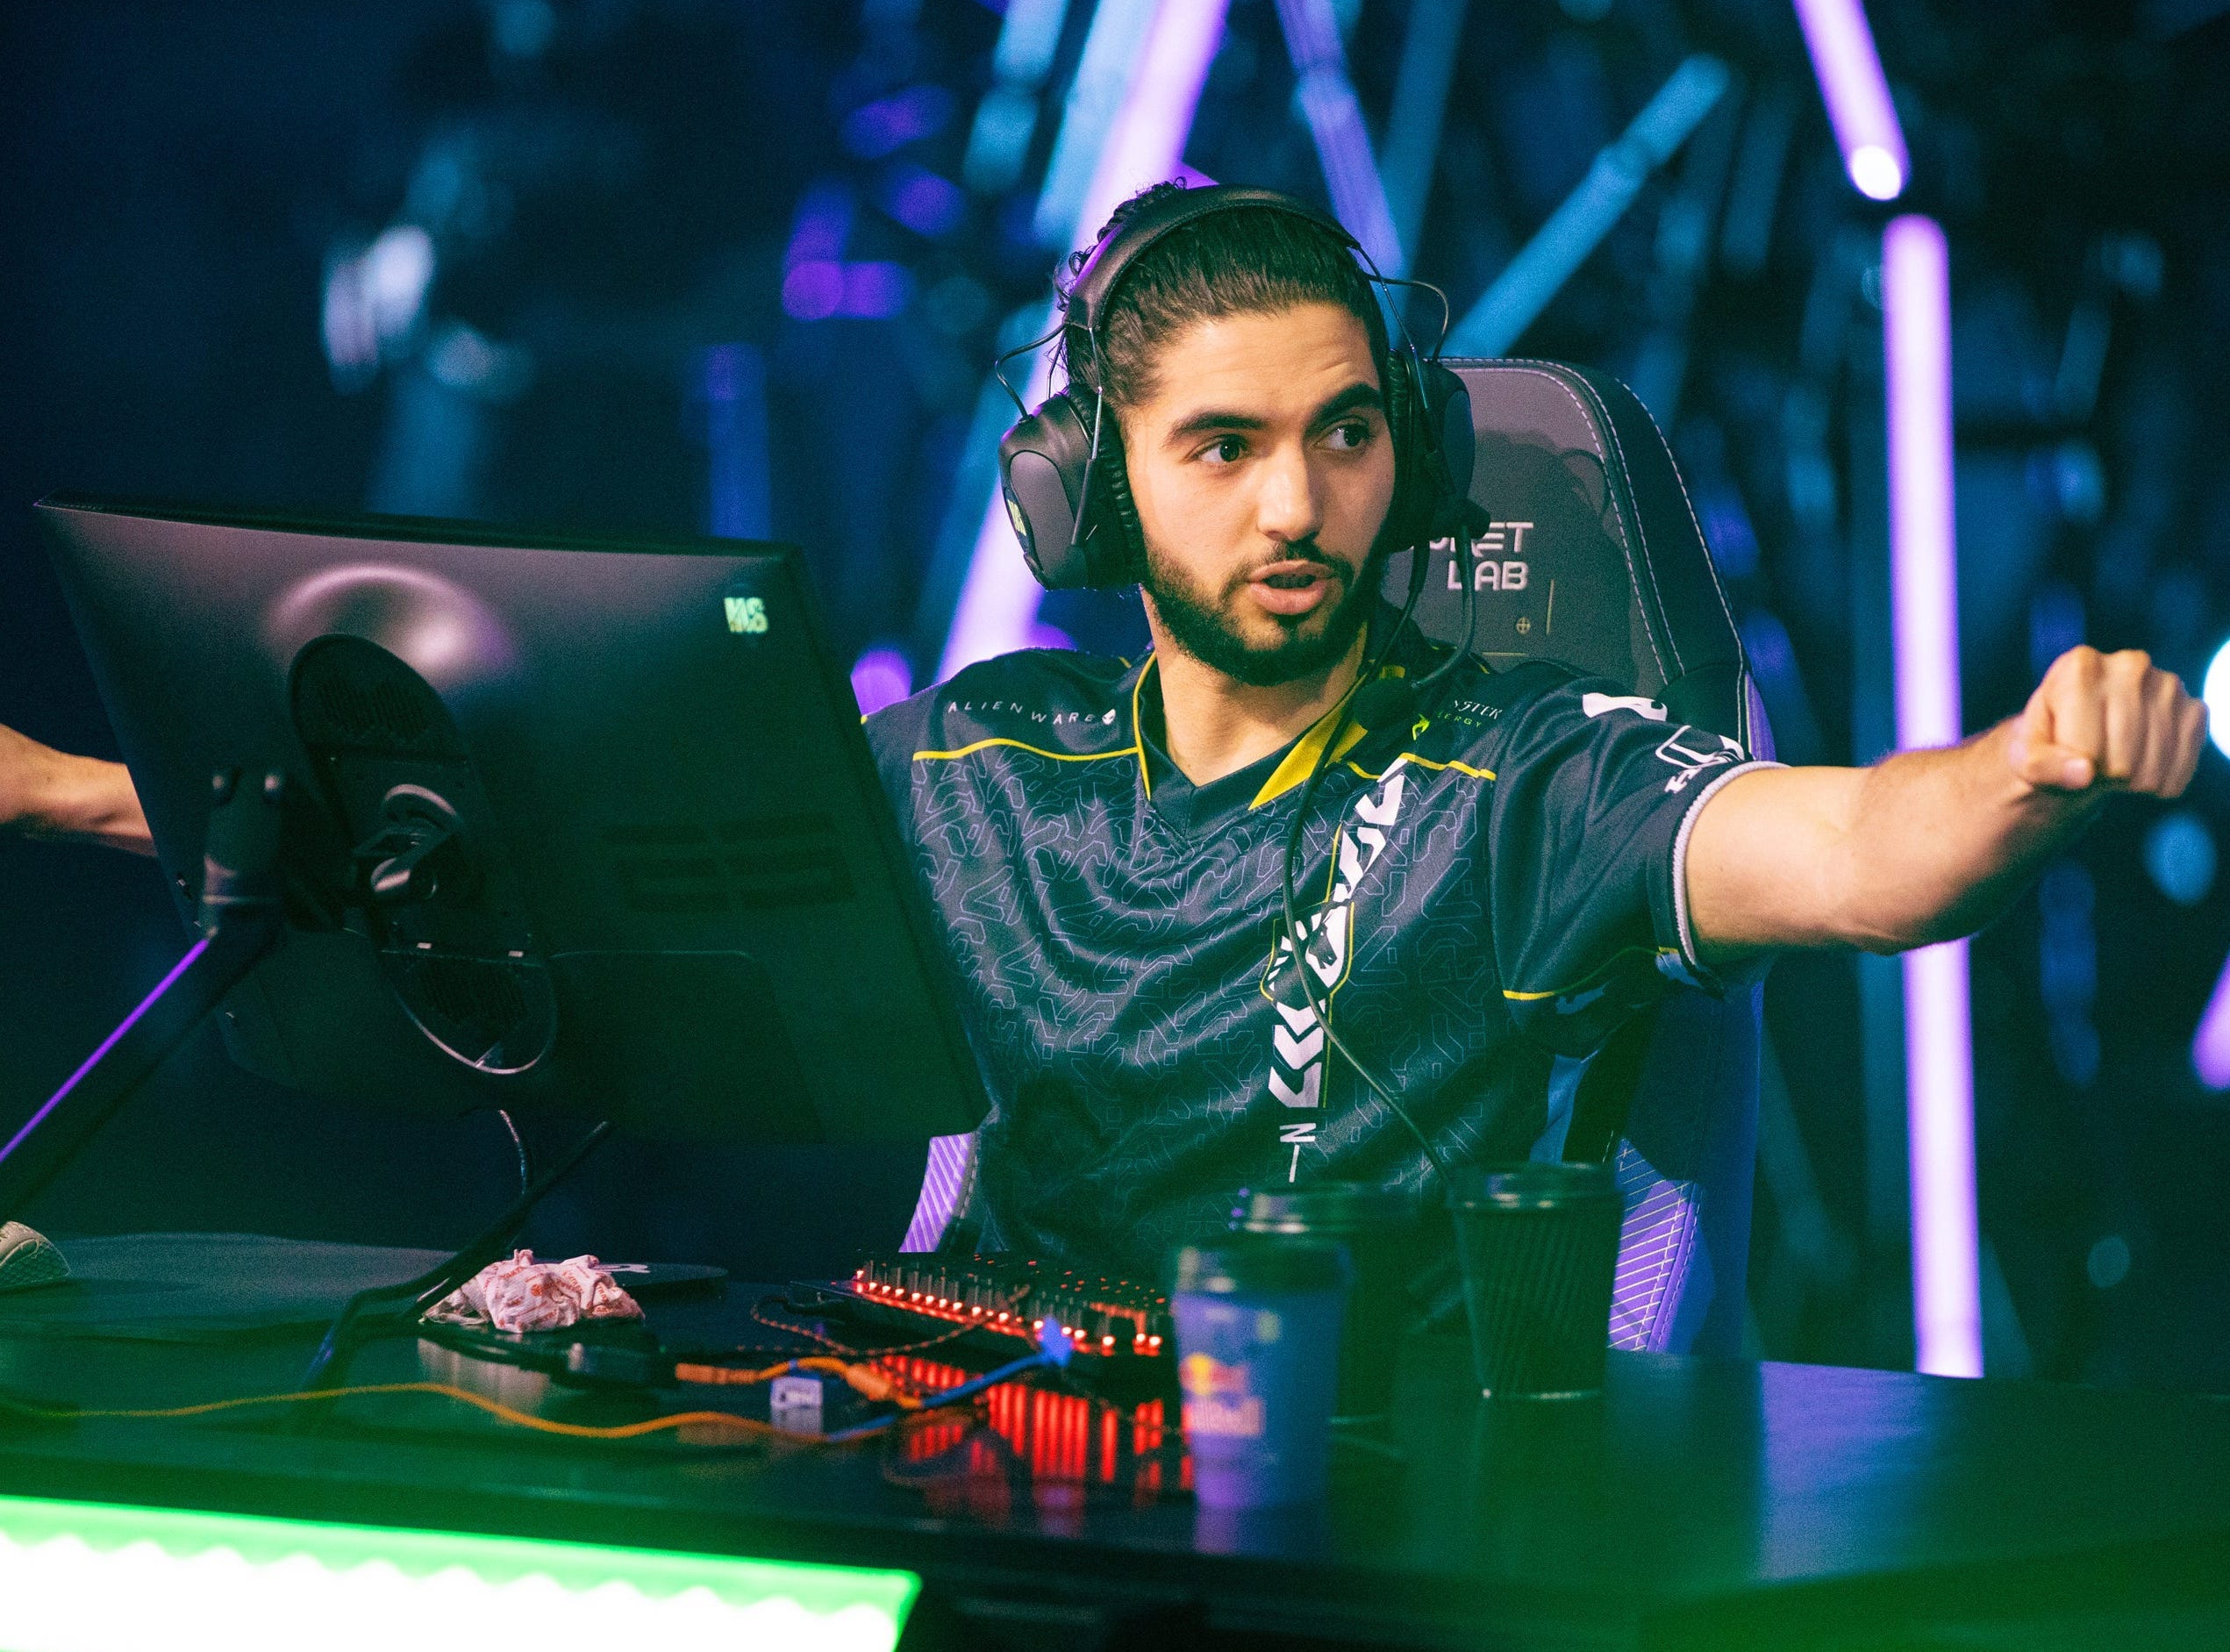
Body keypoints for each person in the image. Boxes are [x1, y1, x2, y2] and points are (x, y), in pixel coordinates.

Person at [1, 185, 2206, 1287]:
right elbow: (524, 859)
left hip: (1353, 1547)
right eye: (1225, 445)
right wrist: (71, 795)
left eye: (1346, 438)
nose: (1294, 504)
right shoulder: (969, 766)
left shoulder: (1536, 777)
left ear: (1409, 458)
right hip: (970, 1500)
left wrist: (2027, 766)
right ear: (1087, 493)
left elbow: (1845, 855)